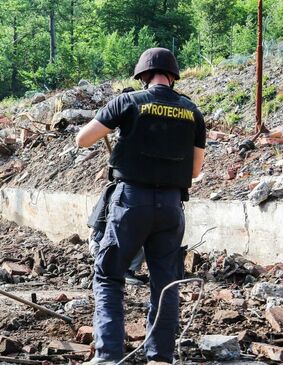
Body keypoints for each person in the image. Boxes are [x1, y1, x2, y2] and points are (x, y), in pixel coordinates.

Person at [75, 48, 206, 365]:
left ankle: (109, 357)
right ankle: (160, 358)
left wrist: (118, 128)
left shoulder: (128, 102)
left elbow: (83, 139)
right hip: (171, 207)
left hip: (131, 203)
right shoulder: (193, 112)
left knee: (108, 276)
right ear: (173, 77)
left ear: (143, 76)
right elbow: (195, 171)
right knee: (166, 284)